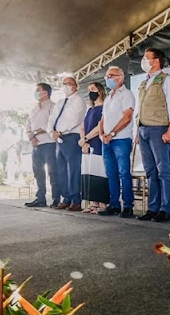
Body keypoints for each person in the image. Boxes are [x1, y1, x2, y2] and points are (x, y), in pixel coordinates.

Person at [135, 48, 170, 223]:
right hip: (143, 129)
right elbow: (139, 108)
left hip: (159, 128)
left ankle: (165, 209)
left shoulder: (167, 80)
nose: (144, 61)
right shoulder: (144, 82)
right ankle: (153, 207)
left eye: (147, 58)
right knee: (150, 171)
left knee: (163, 170)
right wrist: (137, 131)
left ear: (157, 61)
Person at [98, 66, 136, 218]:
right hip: (106, 140)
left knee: (123, 173)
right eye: (106, 76)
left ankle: (128, 206)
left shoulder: (127, 94)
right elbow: (102, 119)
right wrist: (102, 134)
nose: (107, 79)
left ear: (120, 77)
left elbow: (127, 117)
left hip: (121, 139)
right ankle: (114, 205)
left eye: (111, 76)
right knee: (111, 173)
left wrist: (112, 133)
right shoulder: (108, 97)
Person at [46, 76, 87, 211]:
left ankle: (76, 199)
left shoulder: (79, 101)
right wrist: (51, 132)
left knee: (73, 170)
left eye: (69, 84)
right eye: (64, 84)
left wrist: (60, 131)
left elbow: (76, 119)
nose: (66, 86)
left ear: (75, 86)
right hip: (58, 139)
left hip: (71, 137)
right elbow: (51, 119)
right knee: (61, 170)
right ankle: (66, 198)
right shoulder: (59, 102)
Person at [25, 83, 61, 208]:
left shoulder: (53, 106)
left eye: (37, 90)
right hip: (36, 146)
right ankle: (40, 198)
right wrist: (31, 138)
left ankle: (57, 199)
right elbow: (28, 126)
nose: (35, 92)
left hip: (49, 144)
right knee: (38, 173)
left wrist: (34, 134)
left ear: (45, 92)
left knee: (53, 172)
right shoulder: (33, 109)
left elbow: (49, 125)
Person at [79, 82, 109, 213]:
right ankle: (93, 203)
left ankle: (103, 204)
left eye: (93, 89)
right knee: (90, 174)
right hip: (88, 145)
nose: (90, 92)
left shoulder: (104, 108)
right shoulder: (90, 110)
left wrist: (86, 138)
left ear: (100, 91)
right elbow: (83, 127)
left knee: (100, 174)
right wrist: (84, 142)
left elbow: (99, 127)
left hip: (98, 143)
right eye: (88, 89)